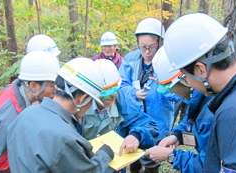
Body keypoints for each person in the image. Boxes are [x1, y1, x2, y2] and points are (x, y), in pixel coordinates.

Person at [163, 12, 236, 172]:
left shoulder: (233, 114)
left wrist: (172, 156)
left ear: (201, 69)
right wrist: (179, 136)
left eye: (185, 76)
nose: (187, 82)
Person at [7, 57, 115, 173]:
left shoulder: (26, 114)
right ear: (82, 99)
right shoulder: (66, 139)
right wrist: (104, 155)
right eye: (90, 101)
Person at [119, 17, 180, 173]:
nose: (147, 52)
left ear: (159, 43)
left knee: (152, 161)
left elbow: (180, 94)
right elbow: (121, 85)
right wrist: (134, 93)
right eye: (143, 47)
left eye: (151, 47)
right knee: (134, 157)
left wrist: (164, 87)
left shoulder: (169, 62)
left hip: (158, 120)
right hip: (135, 119)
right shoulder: (130, 60)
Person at [144, 46, 215, 173]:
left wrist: (171, 156)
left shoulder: (214, 112)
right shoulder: (200, 94)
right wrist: (178, 136)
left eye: (171, 88)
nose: (172, 92)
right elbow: (191, 120)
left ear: (184, 79)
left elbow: (210, 166)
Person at [0, 51, 60, 172]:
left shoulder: (28, 96)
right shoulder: (10, 116)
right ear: (33, 85)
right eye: (52, 85)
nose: (56, 90)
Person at [81, 59, 158, 152]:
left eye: (113, 93)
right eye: (104, 96)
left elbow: (148, 125)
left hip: (115, 161)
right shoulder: (79, 105)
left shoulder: (124, 102)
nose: (109, 99)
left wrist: (135, 135)